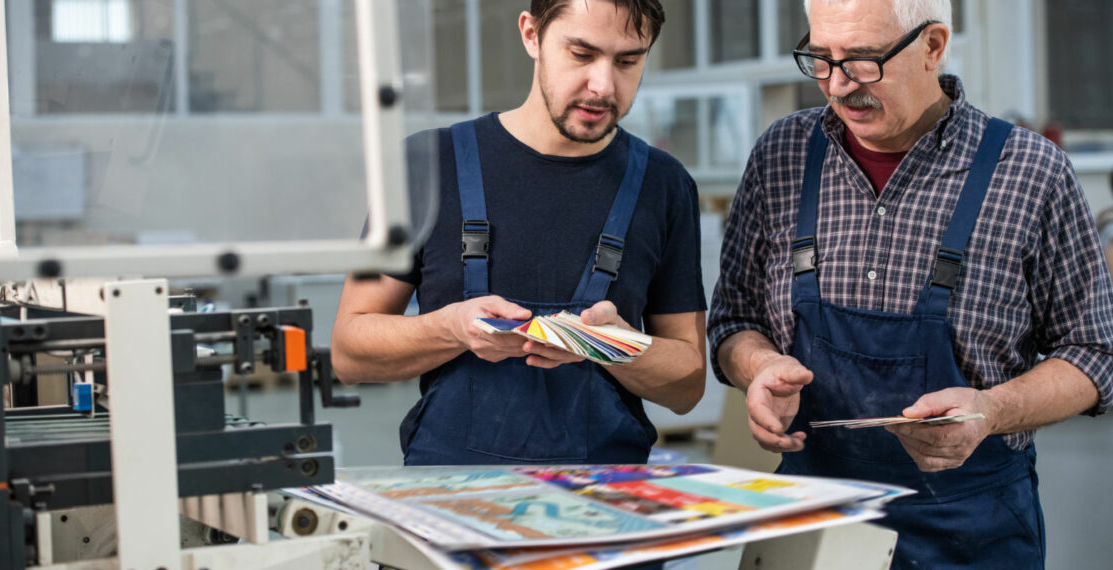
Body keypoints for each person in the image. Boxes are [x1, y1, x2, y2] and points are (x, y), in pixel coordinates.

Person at [707, 0, 1113, 567]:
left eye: (865, 60)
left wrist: (990, 410)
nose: (840, 84)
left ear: (933, 46)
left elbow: (1095, 355)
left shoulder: (1031, 172)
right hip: (811, 518)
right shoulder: (783, 155)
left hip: (971, 529)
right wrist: (757, 368)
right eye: (821, 58)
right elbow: (733, 322)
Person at [331, 0, 706, 467]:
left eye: (628, 61)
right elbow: (349, 351)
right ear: (531, 34)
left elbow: (688, 383)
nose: (604, 85)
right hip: (449, 501)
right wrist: (449, 328)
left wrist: (612, 345)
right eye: (582, 54)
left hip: (605, 502)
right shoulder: (427, 164)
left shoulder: (663, 185)